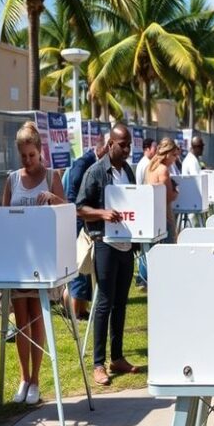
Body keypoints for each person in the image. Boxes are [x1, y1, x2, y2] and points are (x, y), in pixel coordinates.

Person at [1, 122, 67, 405]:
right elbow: (3, 217)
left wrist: (54, 198)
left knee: (37, 318)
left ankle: (36, 380)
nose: (28, 161)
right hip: (17, 257)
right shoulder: (12, 179)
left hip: (42, 258)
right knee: (20, 320)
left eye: (32, 155)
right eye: (24, 156)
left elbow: (66, 211)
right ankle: (23, 377)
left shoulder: (52, 176)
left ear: (40, 151)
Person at [76, 123, 142, 386]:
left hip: (126, 244)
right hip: (104, 242)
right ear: (110, 144)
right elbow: (79, 207)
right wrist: (102, 214)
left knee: (120, 302)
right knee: (103, 301)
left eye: (129, 145)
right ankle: (98, 364)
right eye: (122, 144)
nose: (127, 149)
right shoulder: (95, 172)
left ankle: (117, 357)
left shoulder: (127, 170)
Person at [64, 132, 108, 320]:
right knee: (79, 265)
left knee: (85, 266)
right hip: (78, 221)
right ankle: (75, 310)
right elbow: (73, 195)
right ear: (102, 148)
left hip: (84, 220)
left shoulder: (93, 163)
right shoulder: (84, 164)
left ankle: (81, 309)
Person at [146, 138, 181, 243]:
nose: (175, 158)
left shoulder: (150, 167)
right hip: (165, 216)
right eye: (174, 155)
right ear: (167, 154)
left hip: (153, 216)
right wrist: (176, 191)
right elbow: (168, 197)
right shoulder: (163, 170)